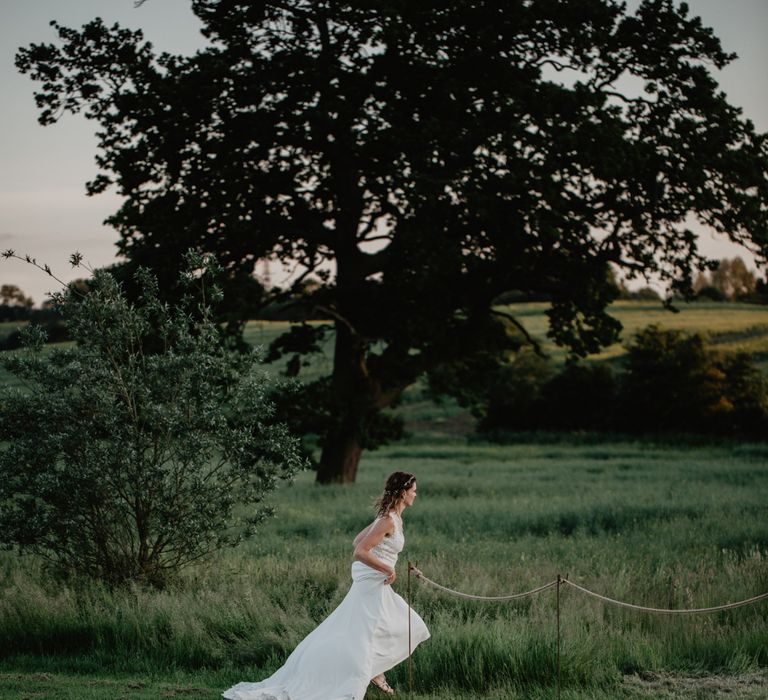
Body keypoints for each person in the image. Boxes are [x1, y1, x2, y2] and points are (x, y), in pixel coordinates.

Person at [222, 471, 430, 700]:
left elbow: (357, 540)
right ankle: (369, 672)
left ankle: (374, 670)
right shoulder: (387, 520)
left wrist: (384, 567)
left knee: (393, 626)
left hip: (374, 582)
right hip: (372, 583)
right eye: (414, 491)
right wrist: (388, 569)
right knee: (392, 627)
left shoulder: (391, 518)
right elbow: (359, 551)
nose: (416, 495)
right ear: (403, 493)